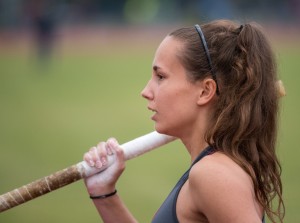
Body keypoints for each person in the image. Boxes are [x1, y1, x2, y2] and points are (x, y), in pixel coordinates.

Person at [83, 19, 285, 223]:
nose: (145, 92)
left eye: (160, 76)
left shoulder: (213, 175)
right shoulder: (212, 169)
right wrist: (104, 194)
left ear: (205, 91)